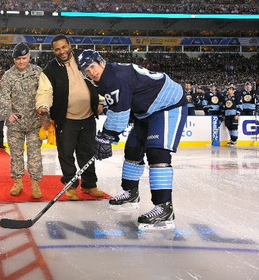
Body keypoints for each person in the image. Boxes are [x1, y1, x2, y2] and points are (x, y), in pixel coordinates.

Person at [77, 49, 187, 230]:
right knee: (133, 148)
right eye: (86, 71)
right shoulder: (106, 79)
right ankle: (131, 193)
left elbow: (119, 115)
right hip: (145, 112)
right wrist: (107, 136)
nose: (91, 72)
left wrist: (106, 137)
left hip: (168, 105)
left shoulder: (115, 77)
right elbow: (118, 108)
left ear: (101, 62)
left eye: (92, 66)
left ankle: (164, 208)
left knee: (157, 152)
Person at [35, 34, 104, 201]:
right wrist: (43, 107)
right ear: (54, 51)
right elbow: (44, 92)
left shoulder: (83, 59)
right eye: (57, 49)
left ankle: (89, 185)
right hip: (66, 119)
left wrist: (101, 100)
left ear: (69, 45)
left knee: (87, 152)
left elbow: (99, 78)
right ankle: (70, 186)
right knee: (65, 154)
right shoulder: (50, 70)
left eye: (64, 47)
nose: (61, 51)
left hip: (88, 117)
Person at [0, 43, 43, 199]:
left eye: (24, 58)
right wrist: (7, 113)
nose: (21, 62)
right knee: (16, 155)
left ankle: (35, 184)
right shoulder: (8, 76)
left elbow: (45, 93)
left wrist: (45, 113)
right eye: (18, 59)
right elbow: (3, 96)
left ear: (29, 57)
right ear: (14, 59)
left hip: (34, 123)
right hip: (15, 124)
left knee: (34, 154)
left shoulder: (38, 73)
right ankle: (18, 182)